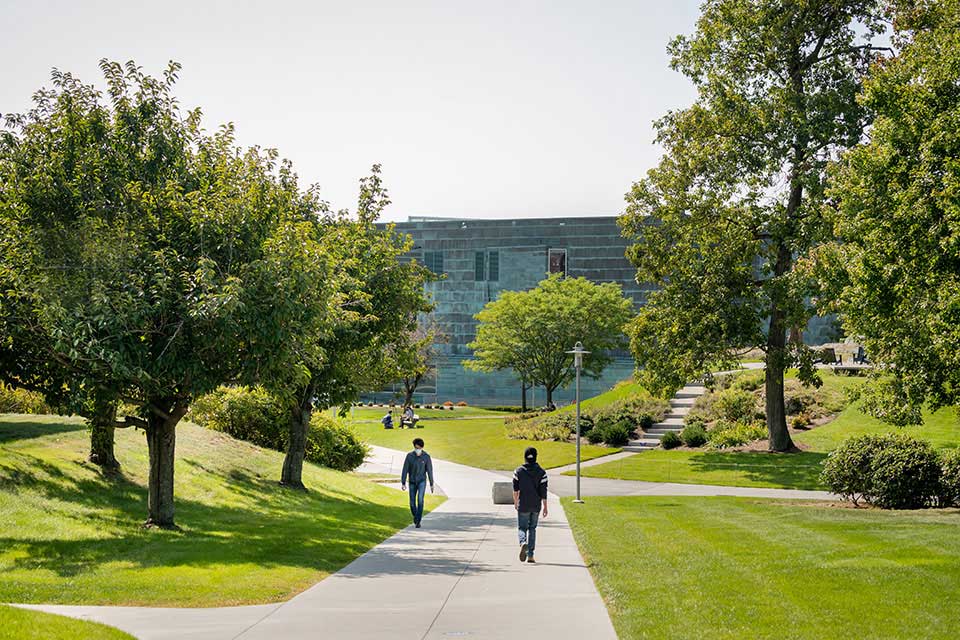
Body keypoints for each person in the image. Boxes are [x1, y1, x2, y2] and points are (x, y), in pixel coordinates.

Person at [513, 446, 548, 563]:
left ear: (525, 457)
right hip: (536, 506)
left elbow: (515, 490)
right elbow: (543, 492)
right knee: (532, 528)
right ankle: (531, 555)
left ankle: (523, 542)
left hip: (523, 504)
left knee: (522, 527)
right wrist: (545, 507)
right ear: (536, 457)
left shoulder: (518, 471)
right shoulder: (542, 473)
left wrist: (515, 502)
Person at [401, 437, 434, 528]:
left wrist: (431, 484)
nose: (417, 450)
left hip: (422, 481)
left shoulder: (426, 457)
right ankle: (416, 517)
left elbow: (430, 471)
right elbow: (405, 469)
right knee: (412, 503)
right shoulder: (409, 456)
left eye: (419, 448)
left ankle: (418, 521)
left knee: (420, 500)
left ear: (422, 448)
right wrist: (403, 482)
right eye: (416, 448)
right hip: (412, 482)